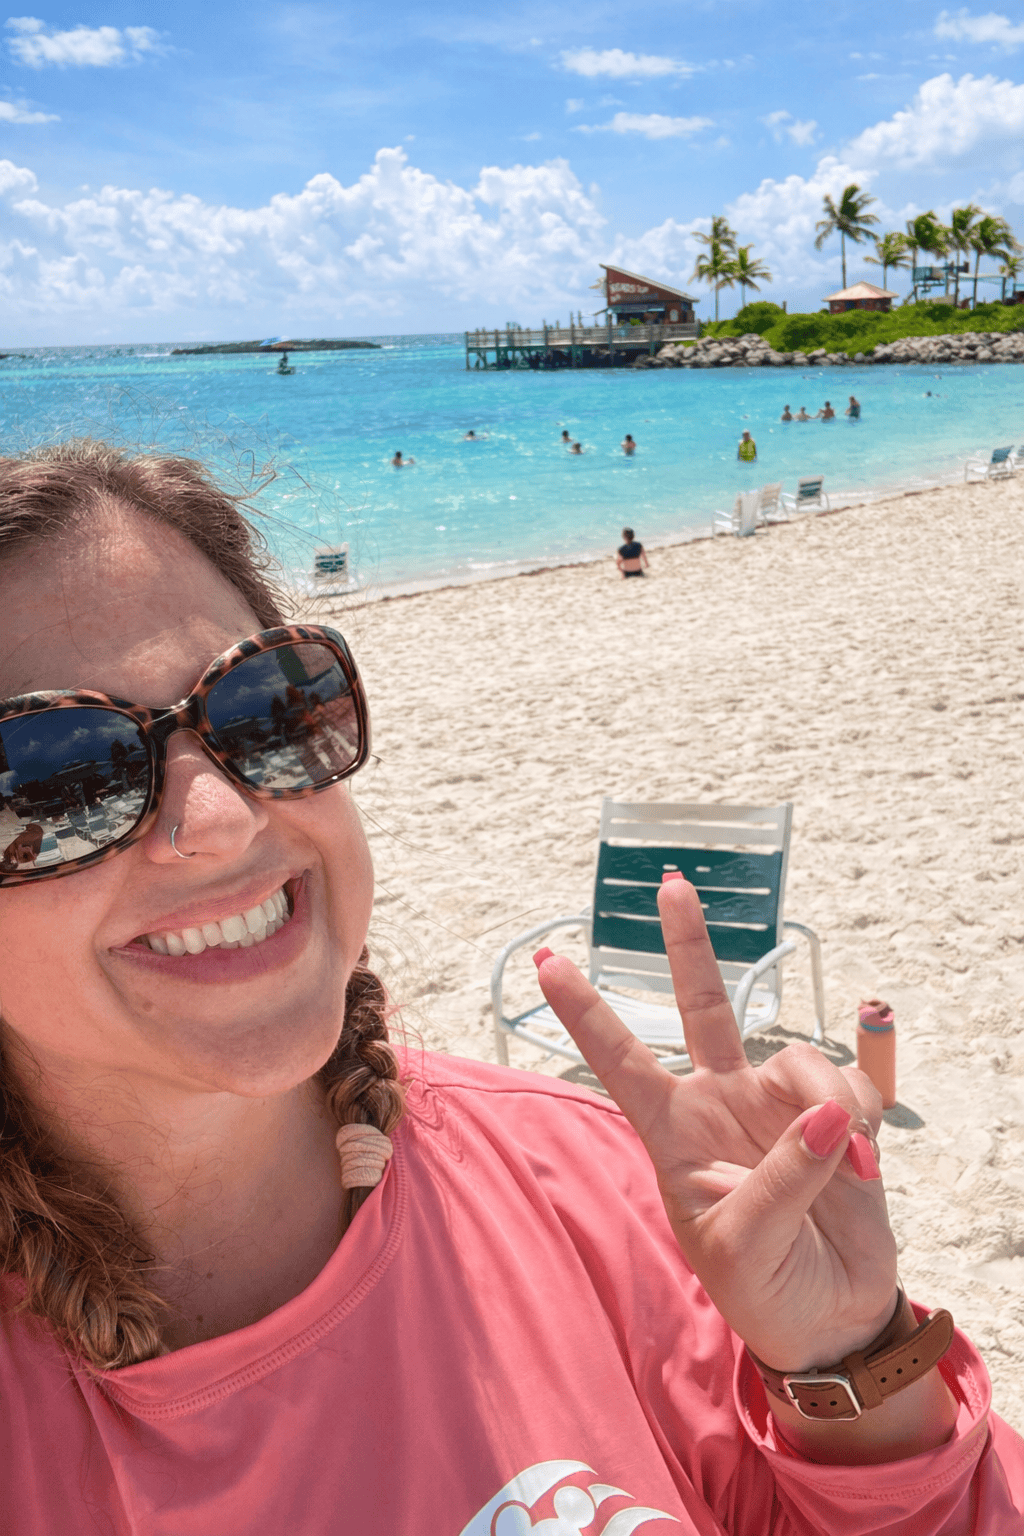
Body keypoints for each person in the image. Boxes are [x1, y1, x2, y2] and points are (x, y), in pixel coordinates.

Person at [0, 441, 1020, 1535]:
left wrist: (848, 1361)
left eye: (260, 710)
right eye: (57, 778)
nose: (222, 820)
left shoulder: (609, 1191)